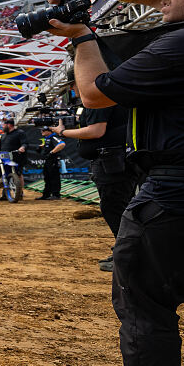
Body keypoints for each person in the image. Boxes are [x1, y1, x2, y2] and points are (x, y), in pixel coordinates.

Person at [46, 0, 184, 366]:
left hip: (172, 192)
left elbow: (94, 92)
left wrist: (82, 37)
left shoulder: (177, 44)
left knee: (143, 300)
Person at [56, 108, 137, 271]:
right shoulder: (105, 101)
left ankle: (128, 256)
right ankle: (124, 251)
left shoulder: (99, 101)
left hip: (112, 160)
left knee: (114, 207)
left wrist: (63, 132)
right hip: (113, 158)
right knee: (118, 207)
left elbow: (96, 131)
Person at [0, 119, 27, 200]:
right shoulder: (3, 135)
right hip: (4, 158)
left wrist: (22, 147)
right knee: (5, 175)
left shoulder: (20, 133)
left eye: (4, 124)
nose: (3, 126)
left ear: (9, 125)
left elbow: (25, 143)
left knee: (18, 174)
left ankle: (19, 193)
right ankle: (5, 194)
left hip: (17, 158)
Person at [36, 127, 65, 200]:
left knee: (54, 177)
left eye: (43, 130)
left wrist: (52, 152)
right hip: (48, 160)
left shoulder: (53, 137)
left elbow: (62, 144)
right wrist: (41, 147)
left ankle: (56, 195)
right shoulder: (47, 138)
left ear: (49, 131)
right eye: (41, 130)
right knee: (47, 177)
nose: (42, 131)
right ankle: (46, 194)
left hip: (53, 160)